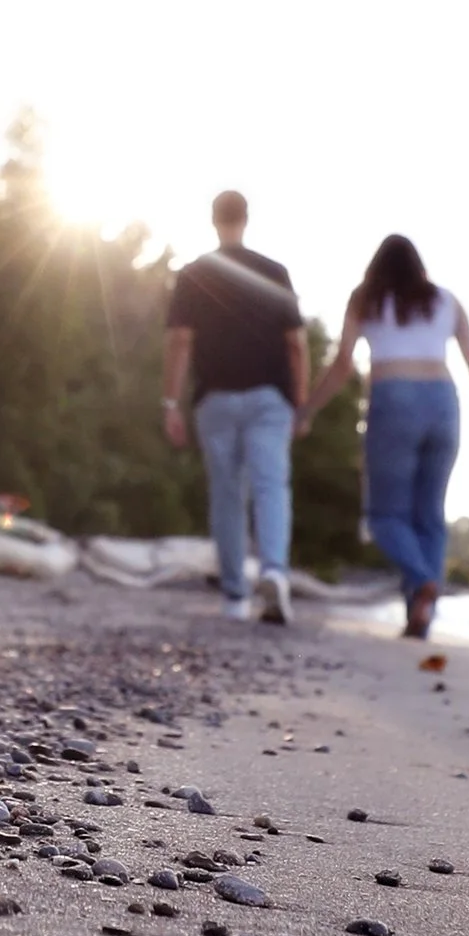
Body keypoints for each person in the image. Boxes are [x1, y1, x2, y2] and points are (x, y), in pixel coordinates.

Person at [299, 233, 469, 655]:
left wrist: (308, 410)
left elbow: (342, 363)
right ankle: (419, 615)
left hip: (395, 398)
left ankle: (422, 579)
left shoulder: (365, 299)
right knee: (429, 517)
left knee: (385, 516)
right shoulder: (447, 300)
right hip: (445, 401)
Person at [161, 189, 308, 625]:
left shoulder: (193, 275)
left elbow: (181, 340)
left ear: (213, 220)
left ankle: (233, 596)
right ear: (246, 219)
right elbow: (296, 344)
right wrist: (300, 404)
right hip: (269, 398)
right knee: (271, 487)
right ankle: (274, 572)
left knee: (227, 496)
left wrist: (170, 402)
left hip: (216, 398)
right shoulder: (275, 272)